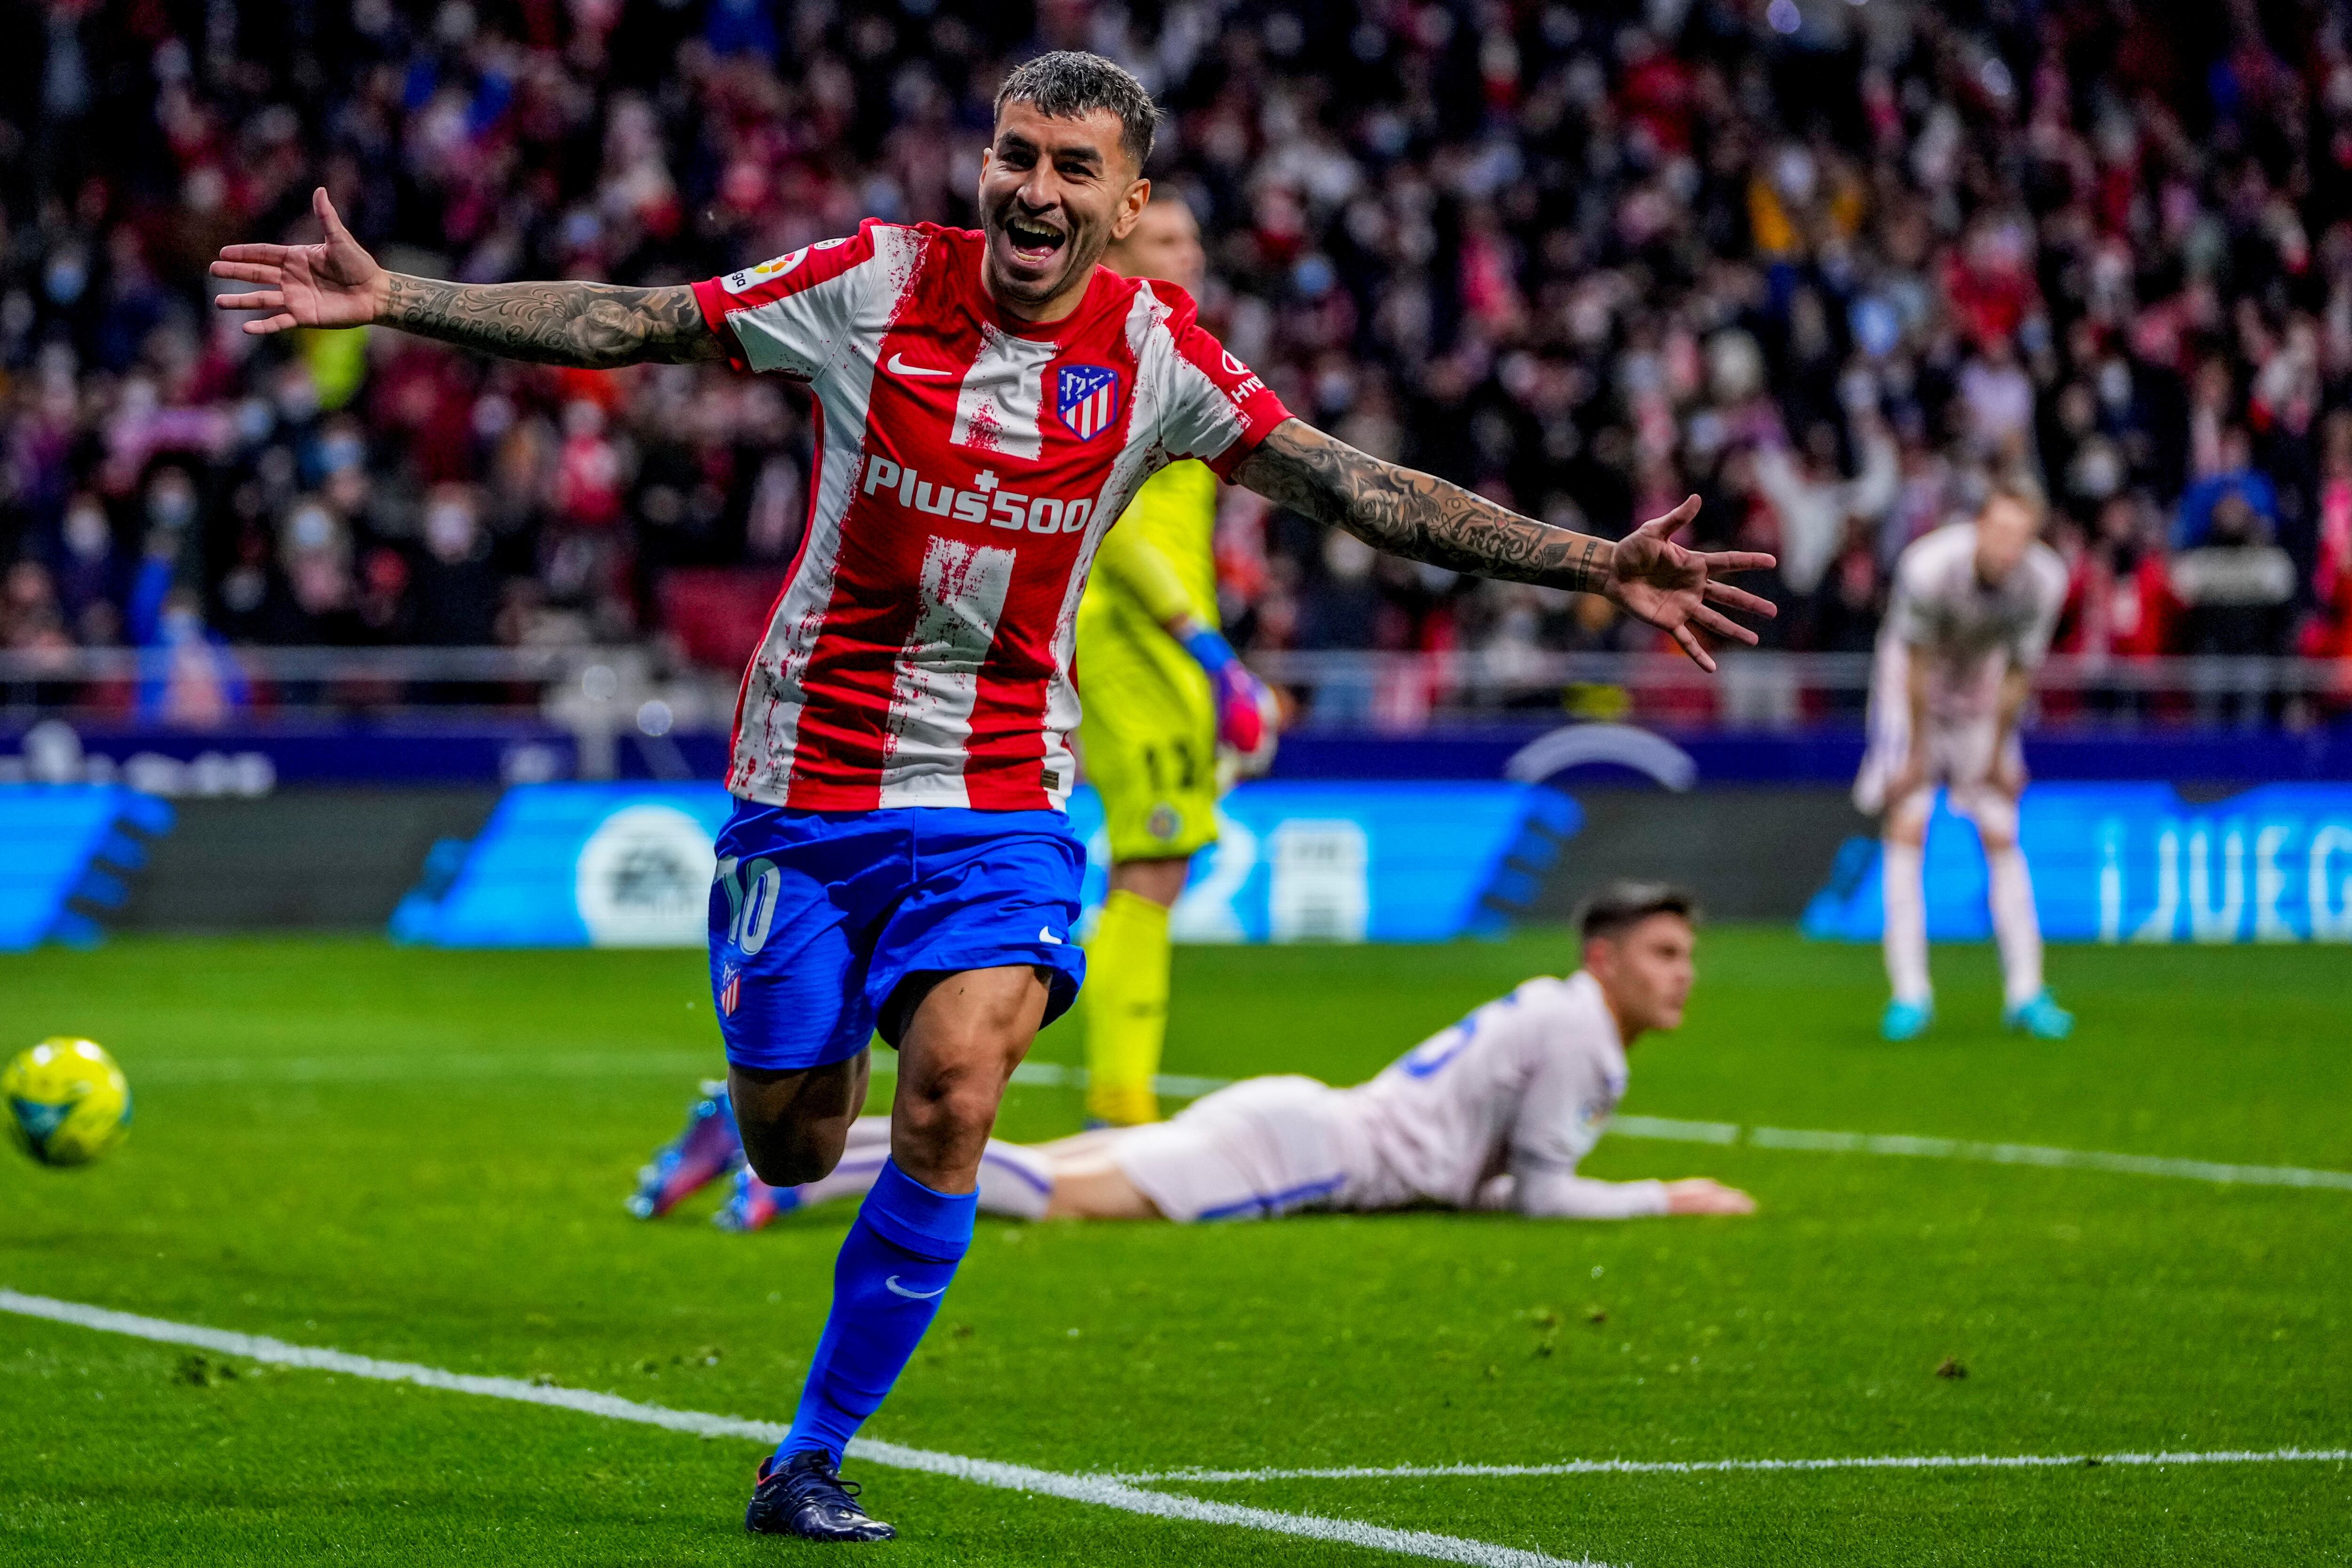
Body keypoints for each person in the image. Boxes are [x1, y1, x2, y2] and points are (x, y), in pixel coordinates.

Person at [214, 52, 1774, 1544]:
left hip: (1001, 793)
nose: (1031, 189)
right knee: (791, 1136)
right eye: (1012, 156)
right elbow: (634, 320)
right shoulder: (875, 283)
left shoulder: (1157, 353)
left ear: (1126, 196)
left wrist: (1593, 563)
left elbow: (1351, 482)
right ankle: (758, 1121)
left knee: (961, 1082)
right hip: (804, 788)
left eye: (1069, 169)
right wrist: (401, 297)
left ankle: (811, 1457)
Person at [642, 881, 1754, 1230]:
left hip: (1306, 1114)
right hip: (1317, 1150)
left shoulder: (1552, 1009)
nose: (1683, 975)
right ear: (1604, 958)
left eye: (1687, 955)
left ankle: (753, 1155)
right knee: (1059, 1193)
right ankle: (782, 1178)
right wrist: (1671, 1197)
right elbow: (1542, 1195)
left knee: (1028, 1159)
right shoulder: (1579, 1037)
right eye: (1663, 952)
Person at [1075, 191, 1275, 1128]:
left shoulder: (1176, 355)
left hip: (1171, 649)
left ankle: (1123, 1096)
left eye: (1193, 239)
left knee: (1156, 870)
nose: (1187, 253)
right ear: (1115, 247)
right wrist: (1205, 647)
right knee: (1147, 870)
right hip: (1137, 644)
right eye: (1164, 239)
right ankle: (1121, 1104)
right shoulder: (1106, 361)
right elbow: (1110, 527)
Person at [1854, 477, 2072, 1042]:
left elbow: (2020, 673)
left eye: (2019, 536)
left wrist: (1999, 755)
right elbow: (1918, 664)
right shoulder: (1926, 567)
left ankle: (2026, 993)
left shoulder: (2044, 581)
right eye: (1999, 530)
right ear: (1978, 526)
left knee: (2000, 829)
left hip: (1981, 691)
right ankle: (1910, 996)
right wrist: (1916, 756)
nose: (2007, 546)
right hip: (1910, 688)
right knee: (1908, 822)